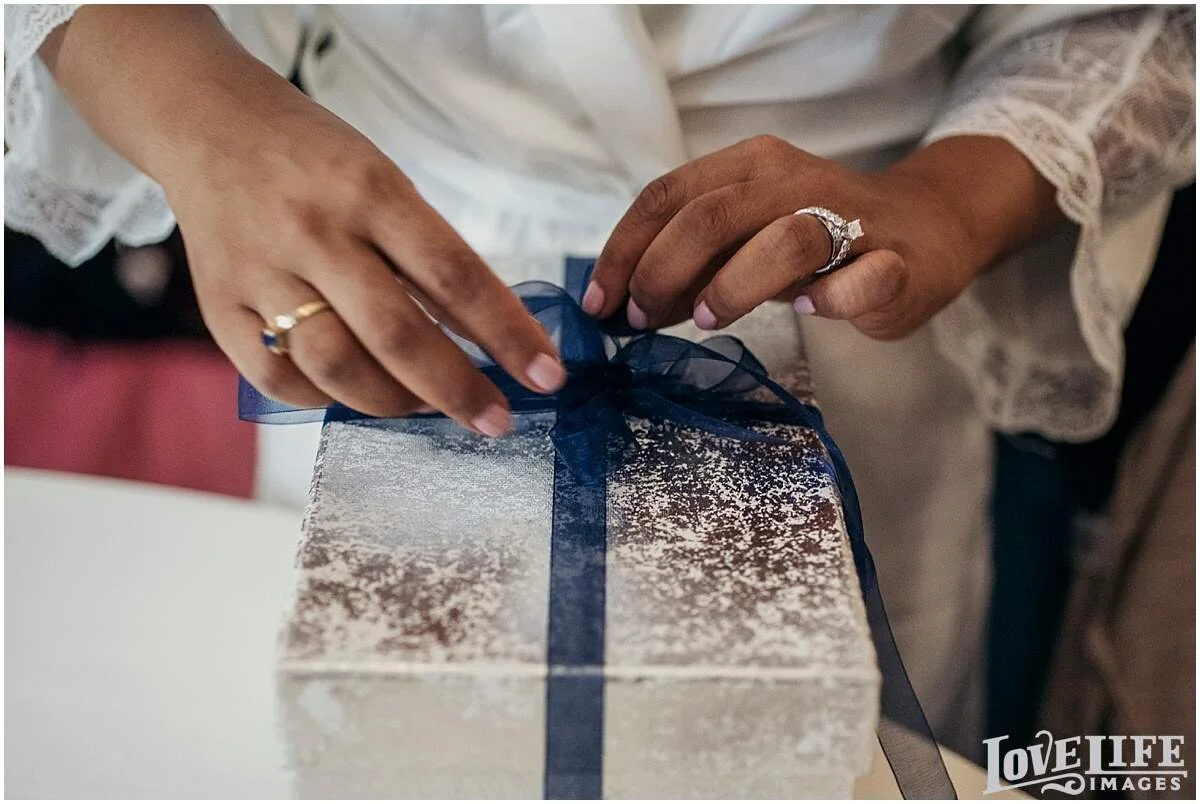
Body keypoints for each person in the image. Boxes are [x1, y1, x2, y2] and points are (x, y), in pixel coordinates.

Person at [6, 4, 1194, 756]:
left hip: (829, 303)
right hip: (381, 293)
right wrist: (205, 118)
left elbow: (1136, 23)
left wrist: (944, 201)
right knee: (384, 738)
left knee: (805, 749)